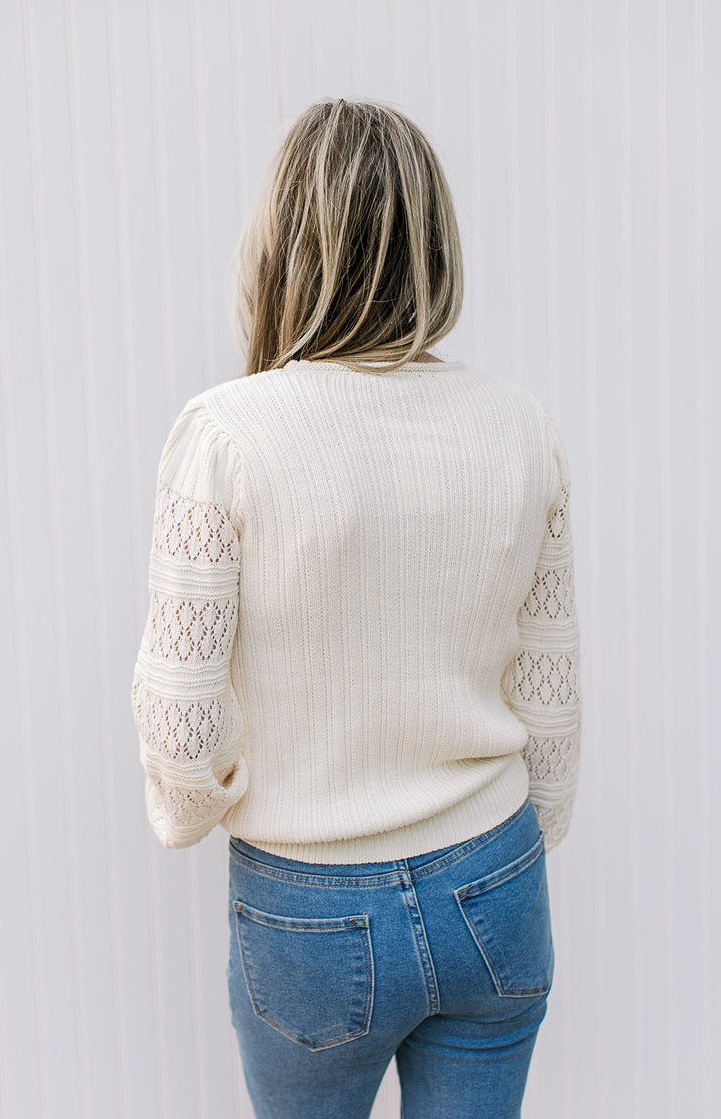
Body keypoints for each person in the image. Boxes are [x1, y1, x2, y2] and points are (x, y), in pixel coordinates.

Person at [130, 97, 582, 1119]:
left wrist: (197, 810)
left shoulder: (227, 435)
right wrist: (510, 836)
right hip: (495, 880)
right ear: (431, 242)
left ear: (282, 244)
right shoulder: (520, 427)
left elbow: (182, 719)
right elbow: (547, 687)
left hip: (307, 905)